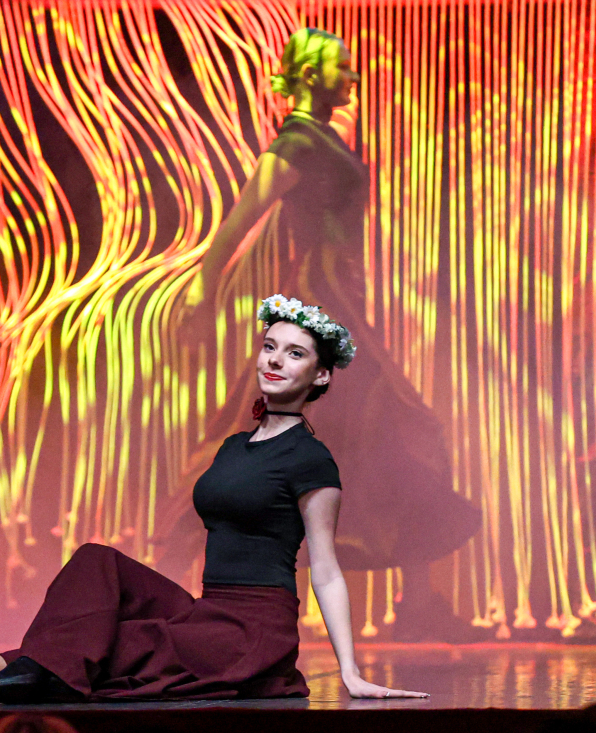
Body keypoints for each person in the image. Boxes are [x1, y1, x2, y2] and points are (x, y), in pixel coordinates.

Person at [0, 296, 429, 704]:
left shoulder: (311, 458)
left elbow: (325, 568)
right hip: (209, 609)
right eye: (269, 347)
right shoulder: (233, 446)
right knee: (96, 563)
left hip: (252, 631)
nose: (274, 361)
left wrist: (350, 672)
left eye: (295, 354)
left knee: (118, 643)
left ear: (322, 376)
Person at [172, 28, 481, 641]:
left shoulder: (324, 139)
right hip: (319, 305)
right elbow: (240, 219)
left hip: (339, 302)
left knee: (367, 438)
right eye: (343, 67)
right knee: (358, 433)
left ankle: (415, 604)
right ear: (312, 75)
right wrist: (204, 289)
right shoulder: (297, 142)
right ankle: (215, 594)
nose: (353, 77)